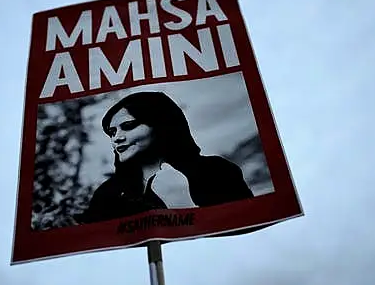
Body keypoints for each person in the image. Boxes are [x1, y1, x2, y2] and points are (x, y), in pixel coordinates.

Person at [73, 91, 254, 224]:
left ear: (160, 125)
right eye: (112, 132)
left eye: (128, 125)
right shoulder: (109, 194)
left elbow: (247, 226)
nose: (116, 138)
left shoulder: (217, 171)